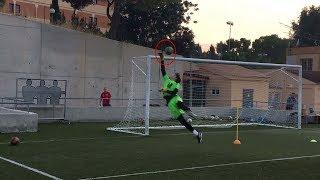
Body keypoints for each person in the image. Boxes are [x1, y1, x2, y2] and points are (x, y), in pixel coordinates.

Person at [159, 53, 203, 143]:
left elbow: (174, 92)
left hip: (174, 98)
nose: (172, 74)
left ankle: (189, 111)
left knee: (179, 103)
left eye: (175, 75)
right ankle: (197, 134)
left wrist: (165, 90)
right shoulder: (167, 80)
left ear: (176, 77)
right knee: (183, 122)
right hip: (170, 104)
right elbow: (163, 70)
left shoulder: (177, 84)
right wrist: (162, 59)